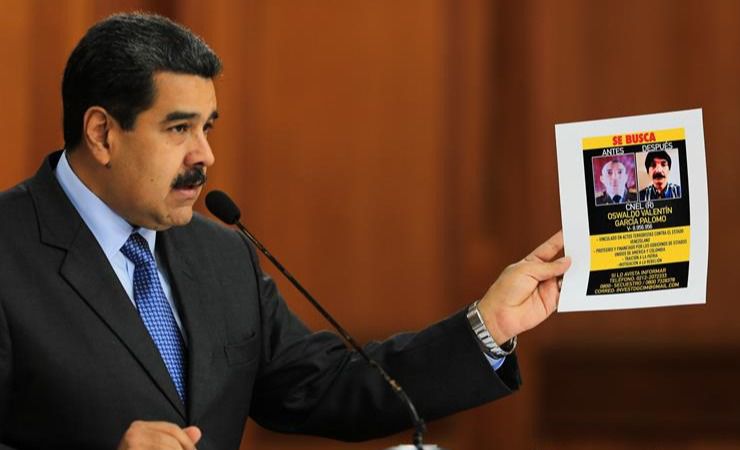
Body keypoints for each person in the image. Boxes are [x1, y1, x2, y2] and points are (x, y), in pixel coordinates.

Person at [0, 13, 570, 450]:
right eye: (178, 129)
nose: (205, 156)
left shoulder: (221, 253)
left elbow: (327, 386)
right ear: (102, 133)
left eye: (207, 127)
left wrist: (488, 326)